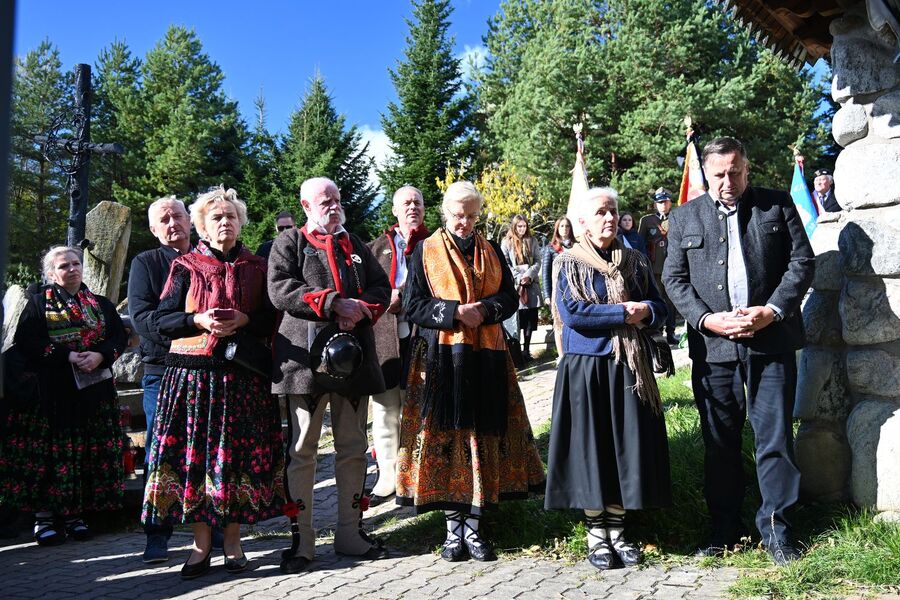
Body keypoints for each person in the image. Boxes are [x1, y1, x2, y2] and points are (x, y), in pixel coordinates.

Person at [663, 137, 815, 566]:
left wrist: (772, 310)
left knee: (775, 440)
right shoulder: (684, 216)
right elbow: (673, 280)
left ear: (747, 169)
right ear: (707, 175)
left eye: (735, 172)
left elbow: (801, 263)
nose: (728, 181)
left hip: (770, 343)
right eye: (719, 174)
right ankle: (724, 528)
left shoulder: (777, 205)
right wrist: (707, 320)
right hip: (714, 349)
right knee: (720, 442)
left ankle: (777, 531)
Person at [396, 181, 545, 563]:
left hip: (488, 358)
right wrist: (453, 313)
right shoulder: (425, 251)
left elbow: (509, 297)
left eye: (471, 215)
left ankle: (475, 529)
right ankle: (451, 530)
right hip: (441, 362)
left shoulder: (492, 250)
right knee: (447, 440)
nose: (464, 222)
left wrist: (487, 311)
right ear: (446, 213)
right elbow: (412, 305)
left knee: (483, 437)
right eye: (458, 215)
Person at [142, 186, 285, 579]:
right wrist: (197, 320)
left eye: (232, 216)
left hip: (241, 381)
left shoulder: (257, 266)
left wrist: (244, 321)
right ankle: (200, 546)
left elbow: (273, 319)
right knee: (197, 460)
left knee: (234, 461)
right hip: (192, 380)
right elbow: (159, 321)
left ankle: (234, 546)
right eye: (217, 217)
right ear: (202, 225)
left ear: (241, 223)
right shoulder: (185, 266)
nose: (226, 222)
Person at [269, 177, 391, 574]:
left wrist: (362, 308)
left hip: (353, 361)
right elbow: (280, 289)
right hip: (303, 363)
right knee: (302, 450)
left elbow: (380, 286)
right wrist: (334, 303)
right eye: (326, 201)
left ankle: (350, 533)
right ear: (306, 205)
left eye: (337, 199)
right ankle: (302, 542)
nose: (334, 206)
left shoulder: (355, 244)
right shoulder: (290, 243)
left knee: (353, 447)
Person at [545, 187, 671, 570]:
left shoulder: (633, 260)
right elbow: (574, 313)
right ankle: (595, 531)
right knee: (592, 447)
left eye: (613, 211)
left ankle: (618, 526)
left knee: (625, 446)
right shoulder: (568, 263)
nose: (609, 218)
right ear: (583, 221)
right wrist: (623, 313)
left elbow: (659, 305)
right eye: (601, 212)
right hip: (586, 367)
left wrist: (645, 311)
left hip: (629, 368)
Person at [0, 246, 127, 545]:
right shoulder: (37, 304)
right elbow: (28, 340)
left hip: (93, 392)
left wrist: (100, 355)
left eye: (75, 263)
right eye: (63, 266)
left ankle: (75, 515)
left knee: (83, 455)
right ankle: (44, 519)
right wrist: (68, 356)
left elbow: (118, 337)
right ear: (51, 274)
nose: (72, 269)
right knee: (51, 456)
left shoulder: (100, 304)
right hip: (52, 394)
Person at [127, 195, 192, 563]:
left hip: (206, 369)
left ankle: (212, 527)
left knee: (204, 447)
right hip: (161, 371)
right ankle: (157, 534)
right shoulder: (147, 262)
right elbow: (142, 319)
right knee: (160, 450)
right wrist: (190, 327)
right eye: (164, 220)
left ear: (190, 220)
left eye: (177, 216)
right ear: (154, 229)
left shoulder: (206, 258)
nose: (172, 224)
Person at [366, 185, 429, 505]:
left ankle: (417, 476)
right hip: (385, 340)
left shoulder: (435, 244)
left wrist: (405, 297)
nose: (412, 207)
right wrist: (384, 300)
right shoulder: (375, 248)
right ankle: (386, 478)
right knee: (385, 409)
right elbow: (361, 291)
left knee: (418, 409)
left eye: (417, 202)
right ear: (394, 210)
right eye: (405, 203)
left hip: (423, 338)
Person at [639, 188, 679, 345]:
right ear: (655, 204)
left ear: (670, 203)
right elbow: (640, 244)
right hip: (654, 268)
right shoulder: (647, 221)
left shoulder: (677, 217)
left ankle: (671, 332)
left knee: (671, 302)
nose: (663, 205)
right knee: (657, 300)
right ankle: (659, 332)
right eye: (660, 202)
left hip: (673, 267)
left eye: (665, 202)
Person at [501, 214, 543, 361]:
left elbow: (538, 260)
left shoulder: (532, 241)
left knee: (531, 321)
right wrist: (519, 278)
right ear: (514, 226)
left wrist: (529, 275)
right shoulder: (507, 242)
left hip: (531, 285)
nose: (522, 229)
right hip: (516, 286)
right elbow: (505, 263)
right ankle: (517, 353)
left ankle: (527, 350)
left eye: (524, 226)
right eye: (519, 226)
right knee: (518, 320)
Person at [540, 216, 576, 305]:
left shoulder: (577, 246)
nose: (565, 228)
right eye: (562, 226)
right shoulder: (550, 248)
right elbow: (546, 273)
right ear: (557, 229)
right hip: (558, 290)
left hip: (576, 290)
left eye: (567, 226)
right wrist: (547, 295)